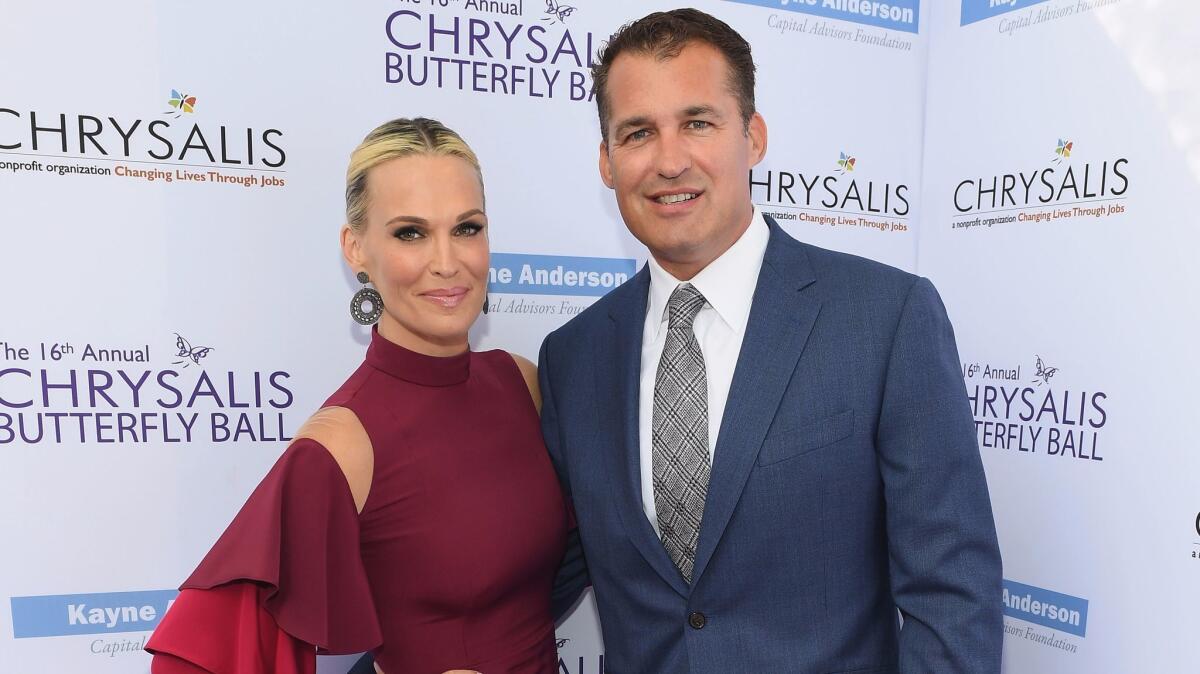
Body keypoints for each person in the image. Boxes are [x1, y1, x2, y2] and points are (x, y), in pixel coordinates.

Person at [538, 9, 1003, 673]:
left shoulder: (886, 319)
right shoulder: (573, 357)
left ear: (752, 137)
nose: (670, 161)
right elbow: (538, 573)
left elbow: (954, 598)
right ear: (608, 162)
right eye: (638, 133)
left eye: (698, 123)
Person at [146, 118, 576, 674]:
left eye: (467, 228)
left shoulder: (522, 383)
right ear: (356, 248)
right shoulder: (343, 443)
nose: (447, 262)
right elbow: (203, 658)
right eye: (410, 233)